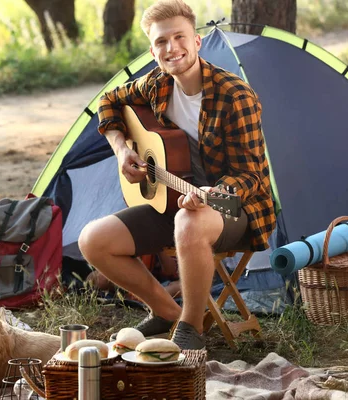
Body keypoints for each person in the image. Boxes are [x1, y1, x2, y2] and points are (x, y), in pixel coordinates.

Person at [78, 0, 276, 350]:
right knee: (92, 240)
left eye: (179, 37)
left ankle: (191, 328)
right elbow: (107, 101)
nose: (172, 48)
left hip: (234, 209)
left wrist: (210, 194)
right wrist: (121, 148)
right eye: (161, 42)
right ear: (152, 49)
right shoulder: (156, 84)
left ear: (197, 42)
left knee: (189, 220)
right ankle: (166, 309)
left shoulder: (235, 96)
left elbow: (251, 178)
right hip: (173, 199)